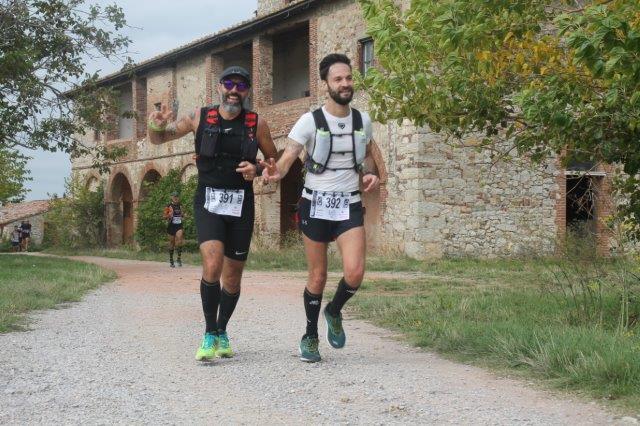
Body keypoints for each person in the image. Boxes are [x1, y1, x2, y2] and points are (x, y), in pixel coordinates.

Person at [147, 66, 278, 361]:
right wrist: (155, 125)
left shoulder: (257, 124)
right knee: (213, 263)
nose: (234, 90)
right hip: (208, 202)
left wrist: (258, 169)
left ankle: (221, 330)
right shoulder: (199, 117)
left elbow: (274, 160)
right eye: (229, 83)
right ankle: (208, 333)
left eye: (241, 86)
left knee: (232, 277)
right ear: (219, 86)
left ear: (247, 91)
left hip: (241, 205)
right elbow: (158, 139)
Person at [262, 53, 381, 362]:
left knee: (355, 272)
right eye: (338, 79)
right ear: (326, 84)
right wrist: (275, 172)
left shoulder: (363, 121)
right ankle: (310, 335)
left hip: (348, 204)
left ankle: (334, 310)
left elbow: (367, 154)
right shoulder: (310, 121)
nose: (345, 83)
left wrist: (370, 173)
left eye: (349, 78)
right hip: (315, 204)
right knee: (318, 276)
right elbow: (287, 159)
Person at [164, 191, 185, 267]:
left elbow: (183, 214)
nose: (175, 198)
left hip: (179, 225)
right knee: (172, 243)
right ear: (171, 197)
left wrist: (184, 215)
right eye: (174, 196)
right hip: (171, 226)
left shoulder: (180, 205)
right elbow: (164, 216)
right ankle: (171, 260)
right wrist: (169, 215)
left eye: (177, 196)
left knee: (179, 239)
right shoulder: (168, 206)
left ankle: (179, 258)